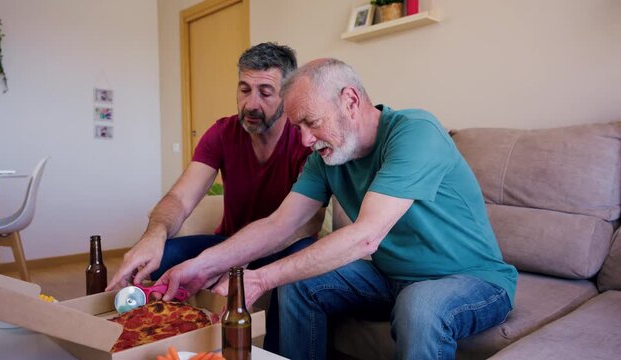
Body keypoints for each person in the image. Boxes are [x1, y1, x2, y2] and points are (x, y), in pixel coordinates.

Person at [154, 58, 518, 360]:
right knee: (300, 283)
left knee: (420, 306)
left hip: (472, 279)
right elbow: (280, 224)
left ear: (350, 101)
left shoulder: (415, 132)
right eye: (297, 127)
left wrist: (263, 277)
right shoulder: (324, 159)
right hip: (393, 279)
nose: (305, 140)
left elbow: (364, 238)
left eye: (311, 122)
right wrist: (201, 266)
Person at [106, 42, 323, 353]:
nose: (250, 104)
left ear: (287, 96)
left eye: (265, 92)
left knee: (293, 279)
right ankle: (151, 343)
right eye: (244, 89)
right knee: (160, 257)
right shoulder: (222, 133)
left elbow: (308, 219)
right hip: (229, 241)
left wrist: (239, 256)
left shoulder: (303, 139)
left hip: (287, 246)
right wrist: (154, 234)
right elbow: (180, 198)